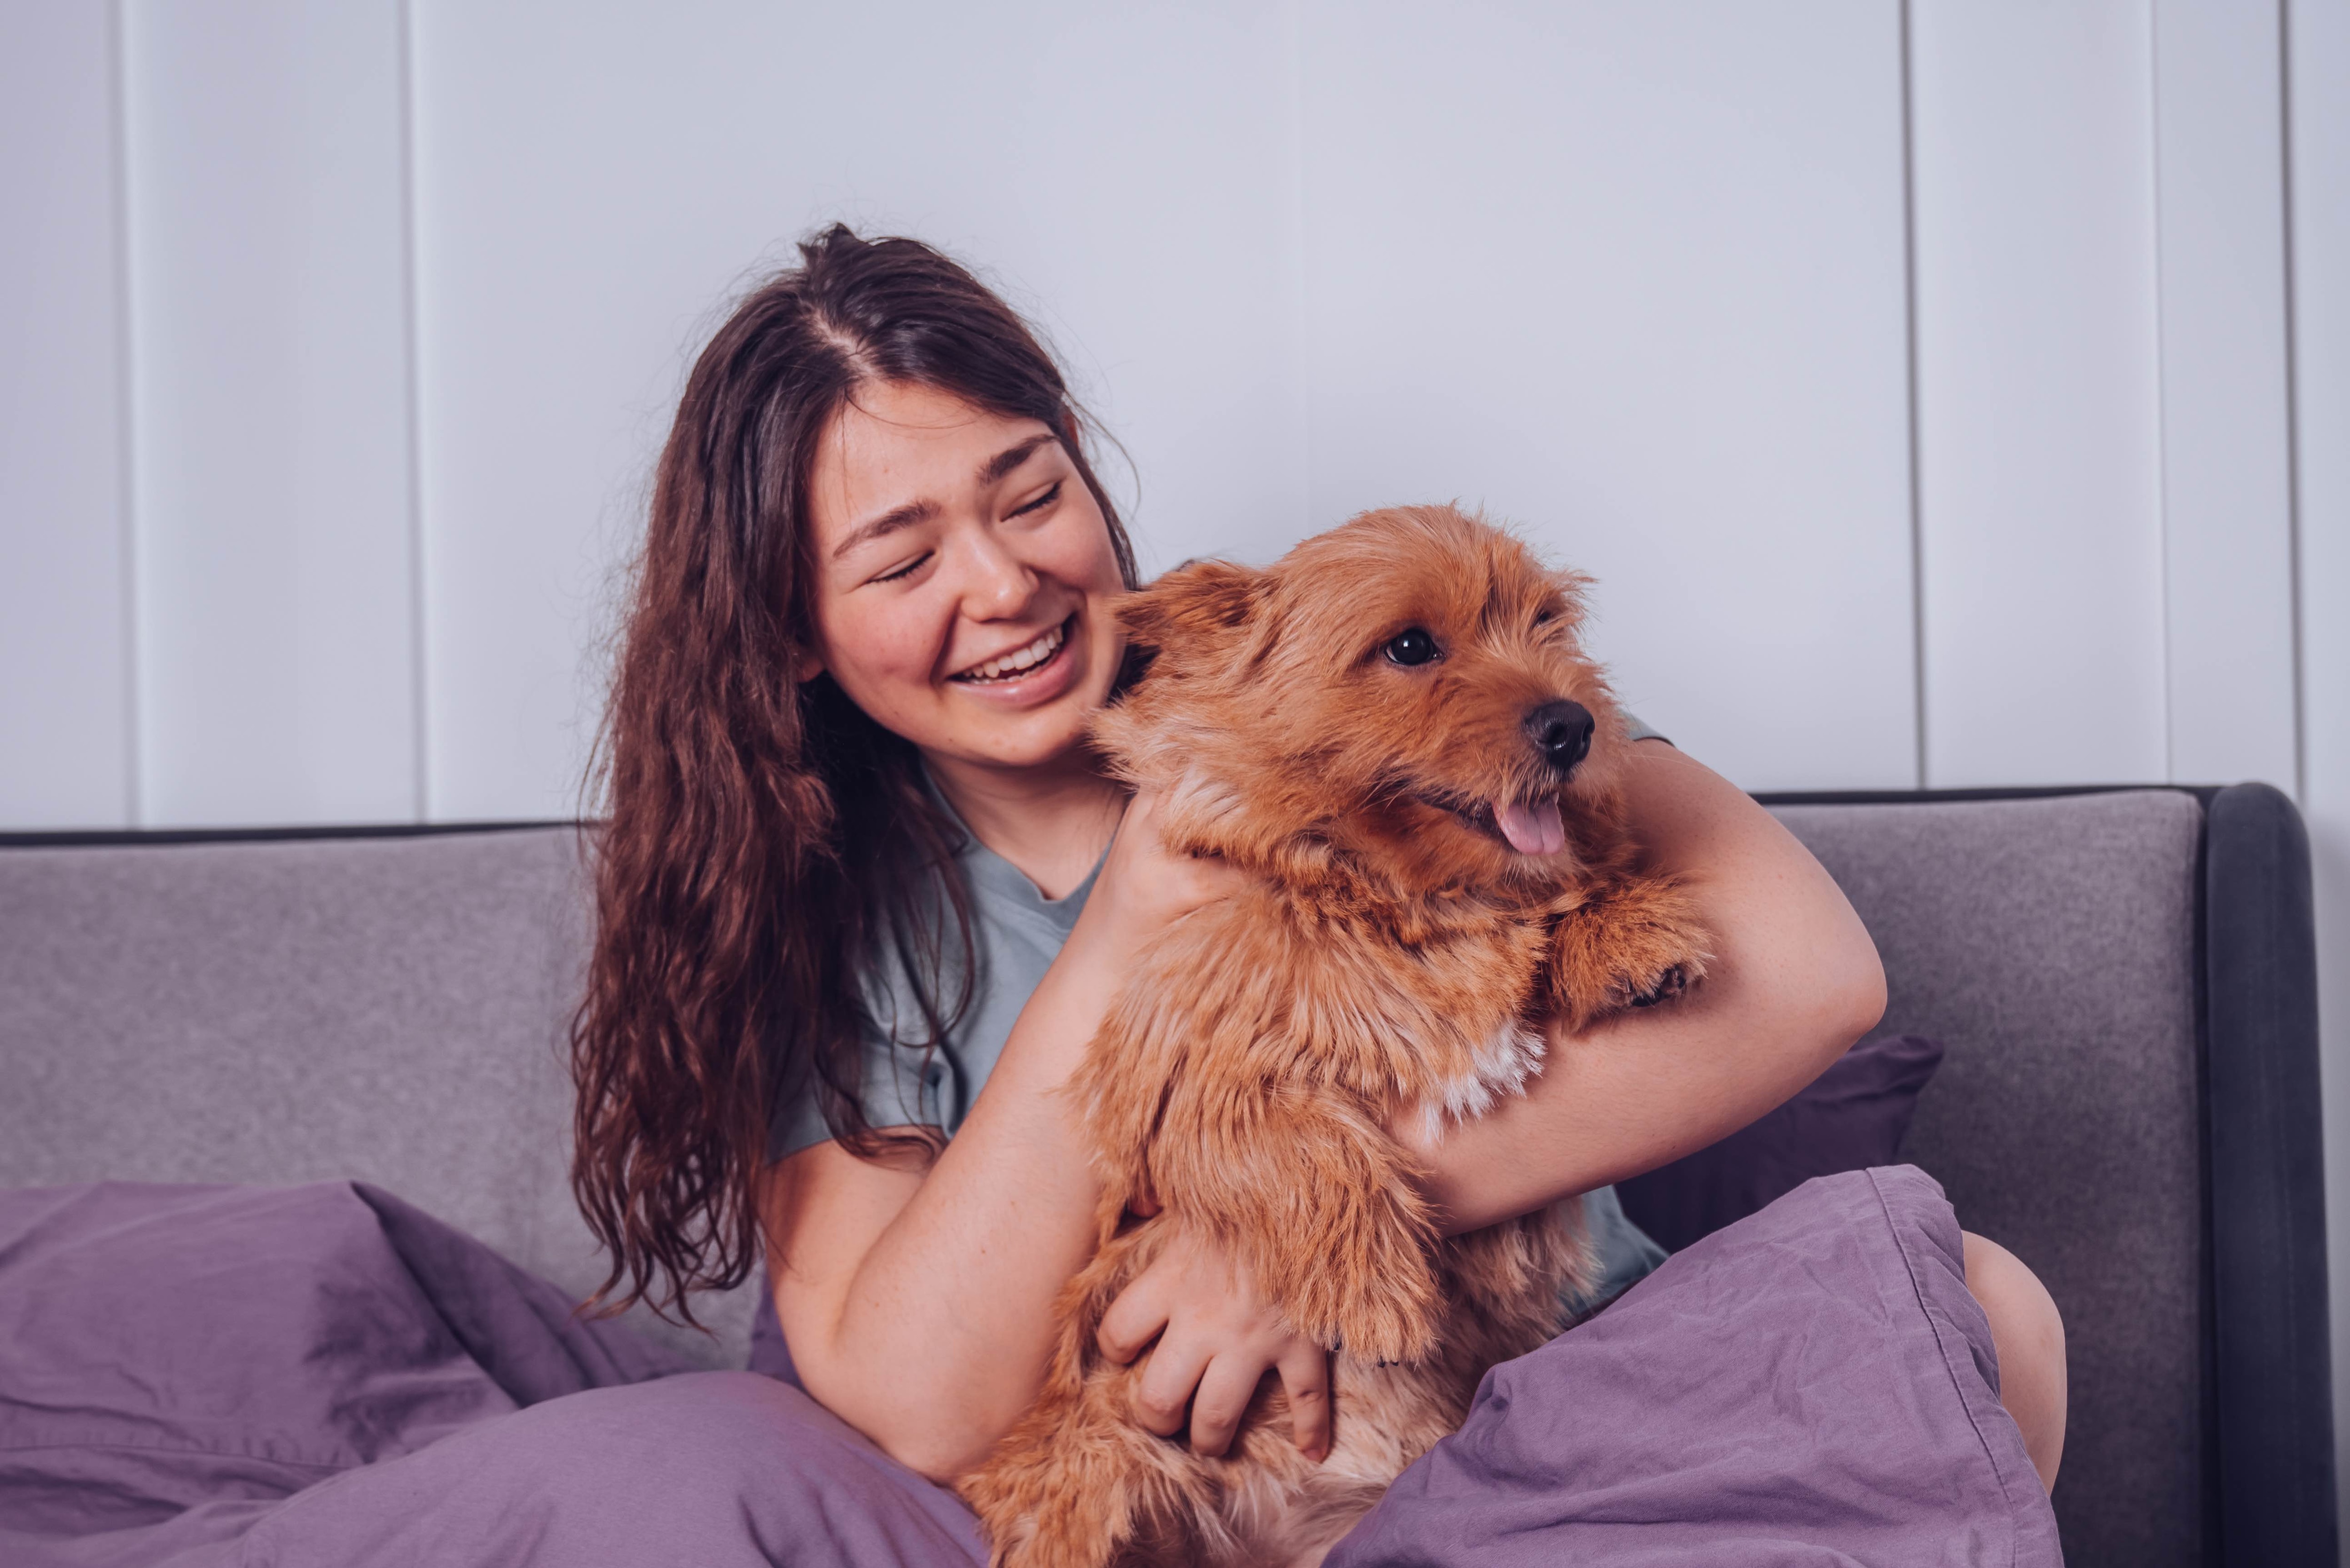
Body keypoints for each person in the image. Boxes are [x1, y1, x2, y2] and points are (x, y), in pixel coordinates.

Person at [568, 223, 2068, 1517]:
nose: (1005, 581)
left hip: (1572, 1397)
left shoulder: (1378, 671)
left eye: (1029, 495)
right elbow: (921, 1401)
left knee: (1974, 1309)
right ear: (790, 634)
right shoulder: (845, 926)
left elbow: (1810, 975)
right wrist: (1130, 923)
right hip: (1233, 1502)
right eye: (901, 562)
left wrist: (1295, 1238)